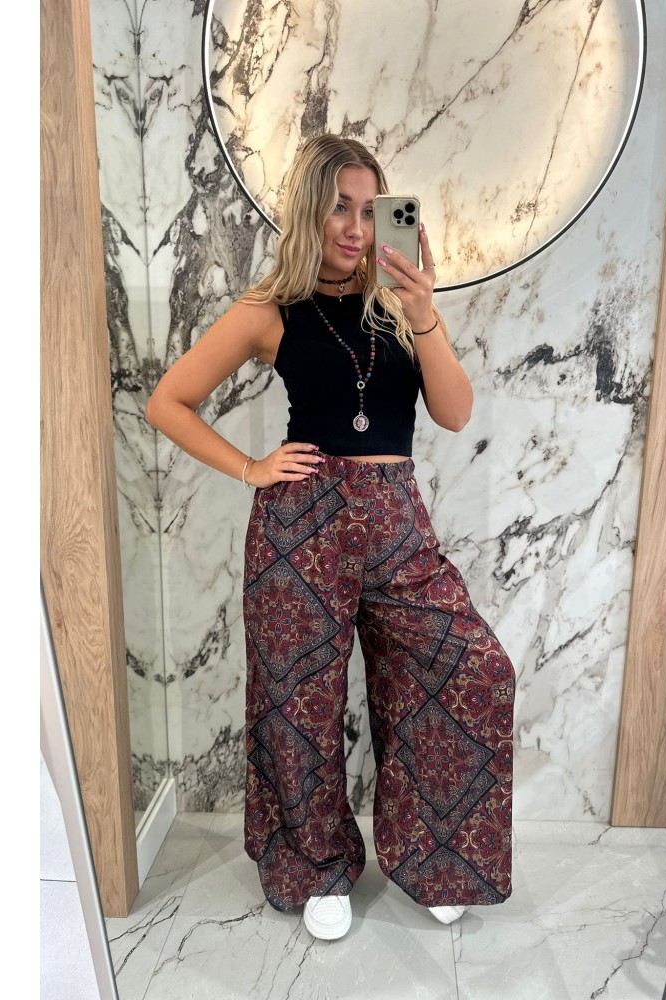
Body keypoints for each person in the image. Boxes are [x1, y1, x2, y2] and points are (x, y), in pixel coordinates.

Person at [145, 133, 516, 942]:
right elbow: (167, 401)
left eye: (370, 209)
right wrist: (251, 468)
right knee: (297, 705)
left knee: (470, 670)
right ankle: (315, 868)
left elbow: (455, 413)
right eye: (339, 207)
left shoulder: (400, 306)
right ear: (310, 211)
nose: (354, 226)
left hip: (396, 520)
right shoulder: (269, 310)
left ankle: (436, 858)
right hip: (299, 526)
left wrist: (424, 313)